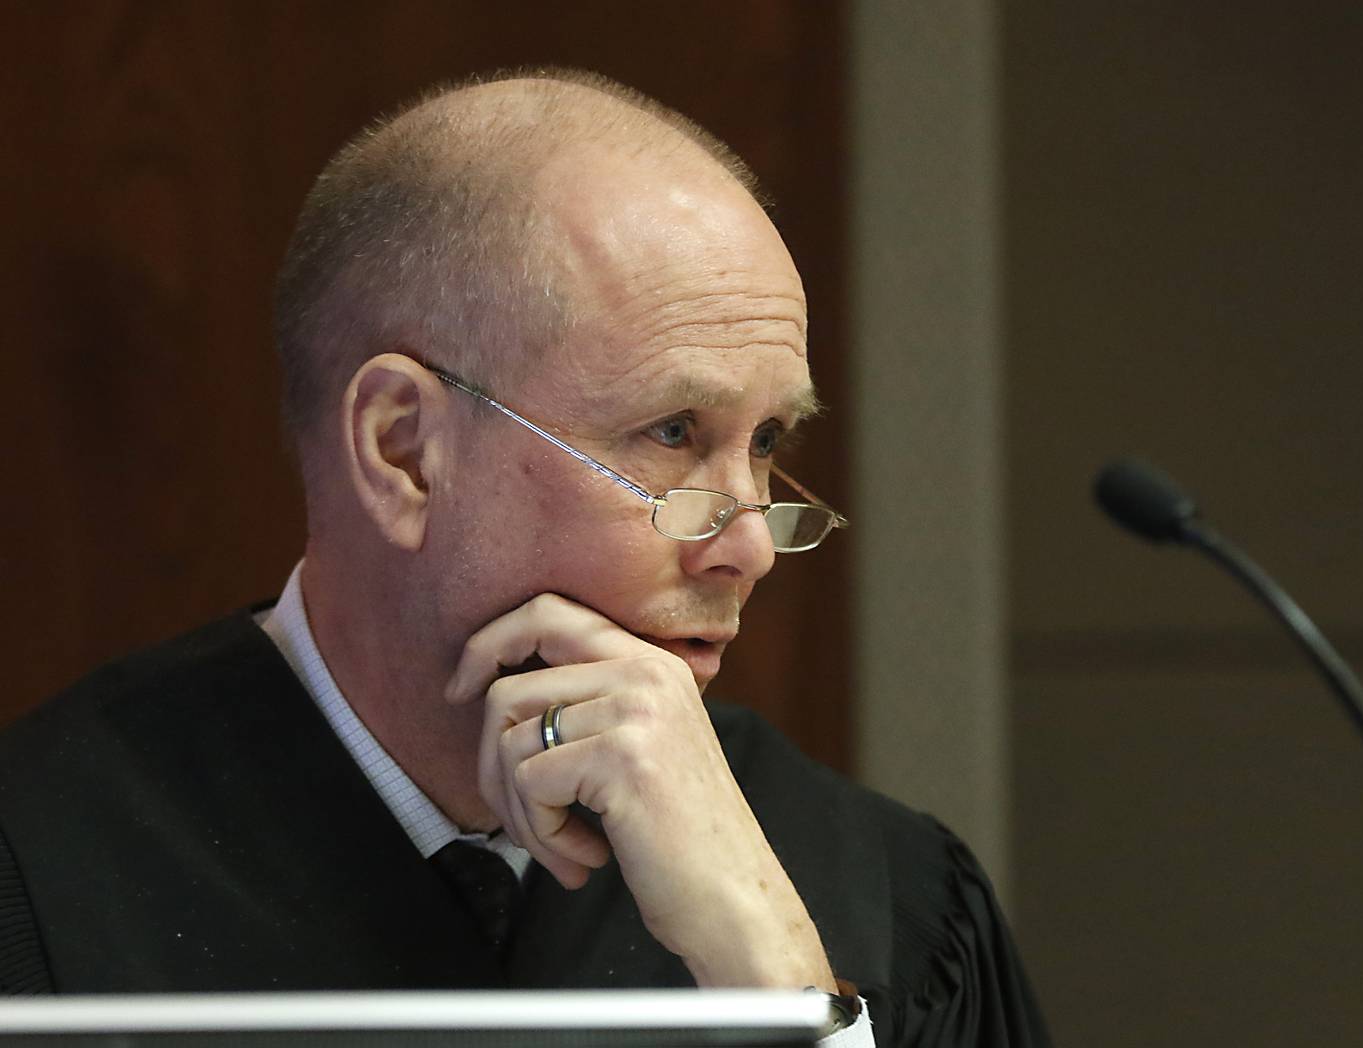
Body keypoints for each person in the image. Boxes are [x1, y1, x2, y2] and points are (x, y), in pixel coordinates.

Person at [0, 70, 1048, 1045]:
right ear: (403, 449)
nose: (747, 545)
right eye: (675, 431)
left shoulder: (876, 885)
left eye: (767, 443)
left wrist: (778, 981)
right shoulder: (41, 873)